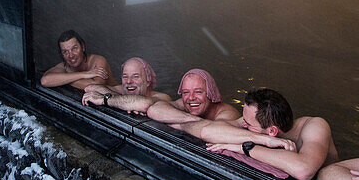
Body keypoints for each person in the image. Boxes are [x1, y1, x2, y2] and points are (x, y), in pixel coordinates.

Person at [147, 88, 337, 180]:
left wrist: (245, 147)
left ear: (272, 131)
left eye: (247, 123)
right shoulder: (253, 124)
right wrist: (259, 139)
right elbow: (207, 130)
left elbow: (304, 170)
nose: (242, 124)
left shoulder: (315, 127)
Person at [84, 68, 237, 120]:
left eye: (198, 92)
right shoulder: (183, 104)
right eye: (185, 93)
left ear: (211, 93)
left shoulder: (227, 113)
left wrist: (169, 117)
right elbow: (144, 104)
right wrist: (106, 99)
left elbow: (209, 133)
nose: (191, 98)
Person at [40, 30, 118, 91]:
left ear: (83, 47)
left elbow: (97, 86)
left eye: (74, 49)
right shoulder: (64, 66)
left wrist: (63, 80)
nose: (71, 55)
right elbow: (45, 81)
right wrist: (84, 74)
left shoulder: (97, 60)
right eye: (65, 52)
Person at [84, 57, 172, 102]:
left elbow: (142, 104)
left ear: (148, 81)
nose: (129, 81)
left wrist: (110, 99)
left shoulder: (162, 98)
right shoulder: (121, 90)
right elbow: (91, 88)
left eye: (135, 76)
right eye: (125, 76)